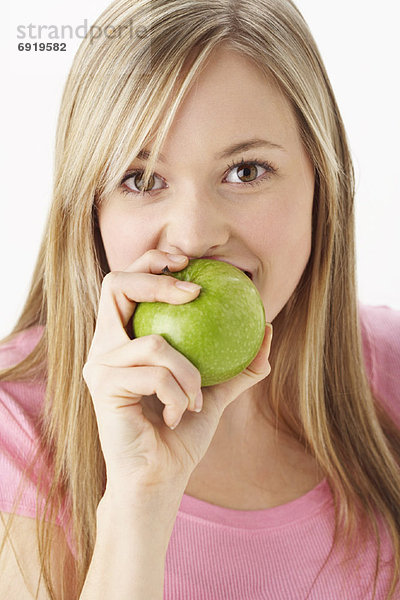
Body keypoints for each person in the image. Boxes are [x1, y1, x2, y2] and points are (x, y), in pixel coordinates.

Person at [1, 0, 399, 598]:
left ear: (322, 180)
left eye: (246, 171)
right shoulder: (14, 430)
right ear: (91, 209)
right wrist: (141, 495)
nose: (192, 235)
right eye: (141, 180)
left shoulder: (390, 372)